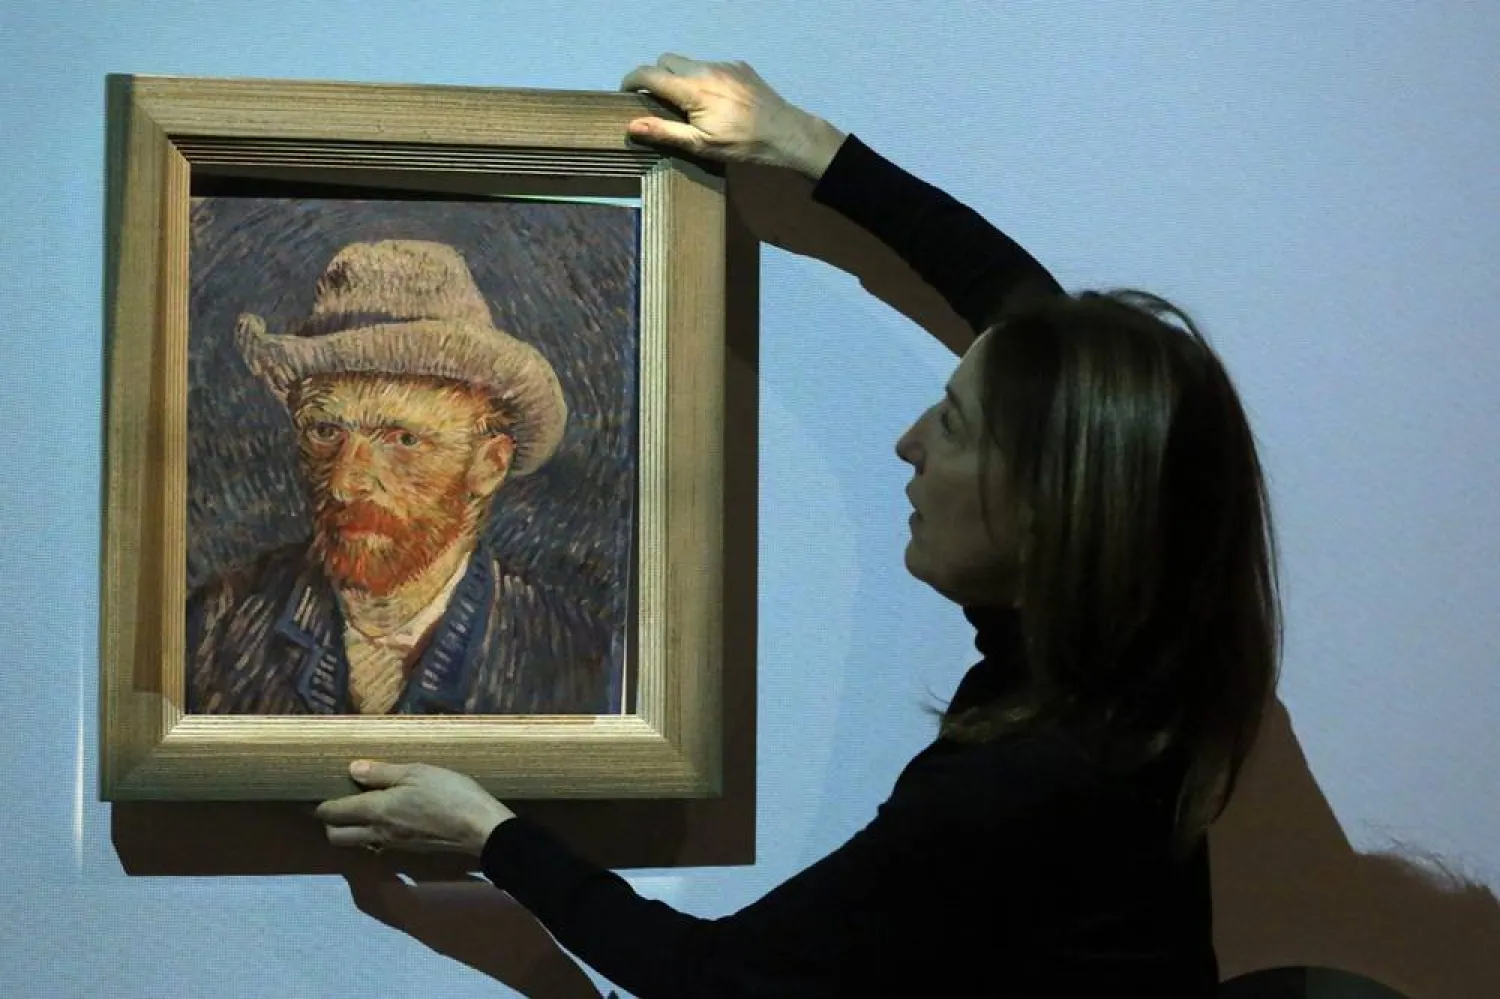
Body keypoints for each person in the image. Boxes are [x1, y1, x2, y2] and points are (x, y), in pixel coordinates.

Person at [315, 54, 1280, 996]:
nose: (909, 443)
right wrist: (807, 145)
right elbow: (1022, 310)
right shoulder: (1152, 644)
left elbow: (717, 978)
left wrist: (493, 836)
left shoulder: (1022, 784)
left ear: (1049, 501)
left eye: (953, 423)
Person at [187, 238, 618, 716]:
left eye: (403, 439)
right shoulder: (209, 632)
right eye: (326, 432)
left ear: (489, 465)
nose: (344, 482)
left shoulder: (580, 659)